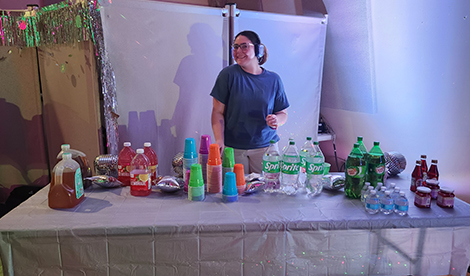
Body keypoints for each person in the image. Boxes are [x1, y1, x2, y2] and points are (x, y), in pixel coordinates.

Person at [210, 30, 289, 174]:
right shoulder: (228, 75)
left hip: (266, 148)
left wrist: (277, 120)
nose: (238, 51)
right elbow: (217, 112)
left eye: (244, 46)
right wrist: (219, 140)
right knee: (236, 191)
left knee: (267, 190)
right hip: (233, 148)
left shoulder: (273, 79)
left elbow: (283, 113)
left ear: (258, 49)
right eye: (235, 47)